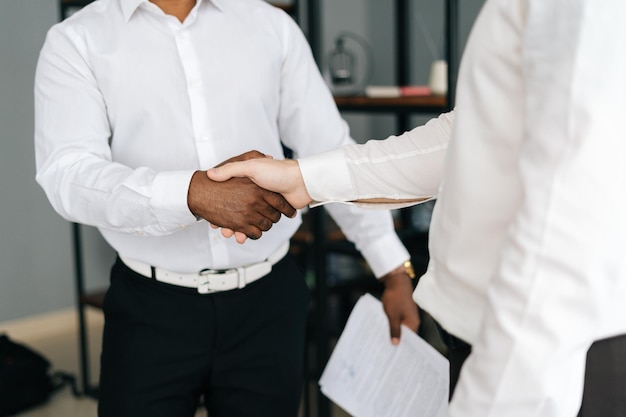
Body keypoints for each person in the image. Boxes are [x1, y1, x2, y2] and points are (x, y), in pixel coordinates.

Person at [208, 1, 626, 416]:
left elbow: (563, 233)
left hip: (540, 362)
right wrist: (304, 179)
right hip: (501, 347)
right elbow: (469, 136)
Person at [33, 0, 419, 416]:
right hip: (150, 310)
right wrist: (191, 193)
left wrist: (393, 270)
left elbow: (330, 151)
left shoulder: (271, 25)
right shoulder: (77, 39)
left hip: (269, 303)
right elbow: (68, 175)